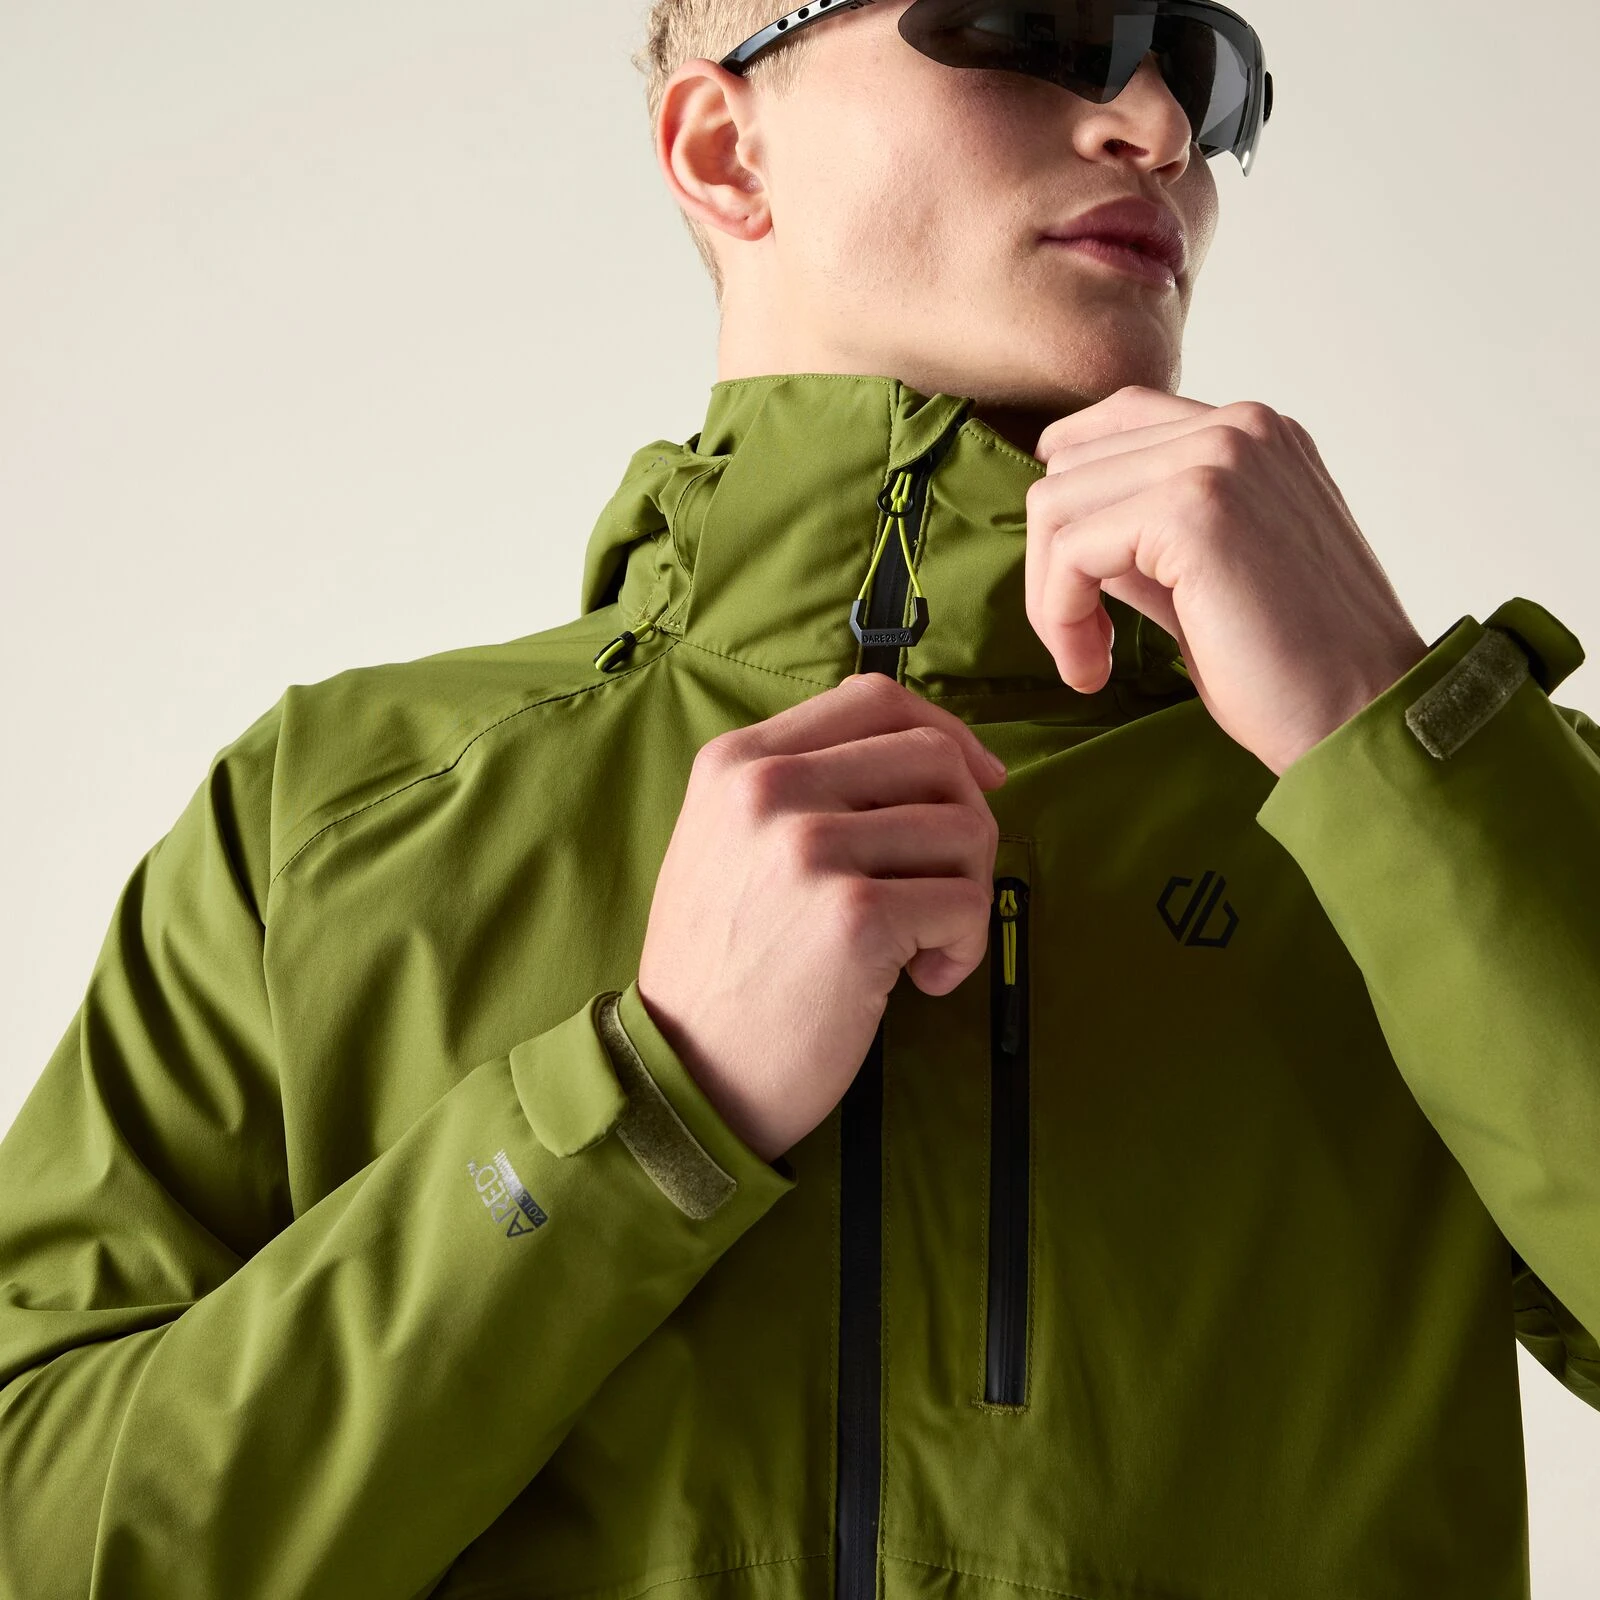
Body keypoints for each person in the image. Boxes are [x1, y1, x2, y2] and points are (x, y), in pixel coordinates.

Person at [1, 1, 1596, 1597]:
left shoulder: (1436, 817)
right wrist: (638, 1109)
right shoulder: (329, 815)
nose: (1162, 129)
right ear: (722, 148)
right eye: (1032, 23)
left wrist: (1390, 727)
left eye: (1203, 69)